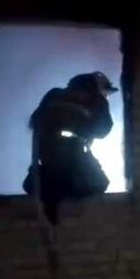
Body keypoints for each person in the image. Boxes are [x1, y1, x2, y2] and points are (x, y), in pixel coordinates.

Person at [23, 71, 118, 223]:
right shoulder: (97, 98)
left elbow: (34, 121)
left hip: (48, 155)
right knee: (99, 182)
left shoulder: (54, 93)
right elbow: (103, 130)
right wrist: (85, 128)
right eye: (106, 93)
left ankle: (47, 186)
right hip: (73, 155)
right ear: (99, 87)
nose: (106, 96)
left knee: (55, 182)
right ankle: (59, 192)